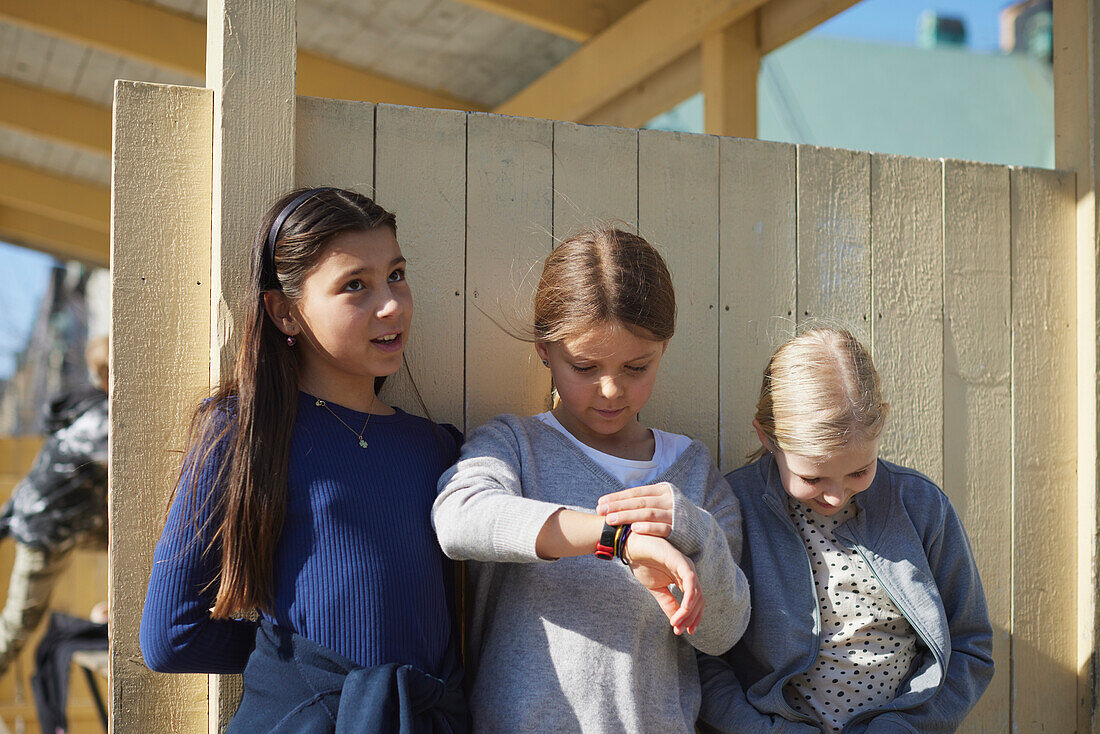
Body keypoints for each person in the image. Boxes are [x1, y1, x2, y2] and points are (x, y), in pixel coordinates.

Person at [139, 187, 467, 732]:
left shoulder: (438, 448)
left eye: (397, 274)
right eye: (354, 285)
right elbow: (172, 637)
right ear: (286, 312)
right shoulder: (242, 431)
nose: (391, 304)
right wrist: (317, 671)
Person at [432, 227, 750, 733]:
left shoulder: (692, 474)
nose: (610, 389)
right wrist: (618, 541)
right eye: (583, 366)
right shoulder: (513, 446)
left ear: (664, 347)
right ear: (544, 351)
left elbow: (723, 634)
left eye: (636, 366)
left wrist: (692, 530)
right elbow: (459, 520)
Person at [698, 326, 994, 733]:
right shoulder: (734, 508)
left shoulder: (921, 507)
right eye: (813, 478)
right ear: (767, 438)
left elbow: (970, 645)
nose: (835, 497)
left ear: (881, 425)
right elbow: (705, 656)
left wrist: (906, 727)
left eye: (858, 471)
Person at [0, 335, 110, 676]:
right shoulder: (99, 420)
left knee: (134, 539)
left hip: (69, 520)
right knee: (18, 624)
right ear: (108, 374)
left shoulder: (85, 404)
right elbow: (140, 457)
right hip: (45, 531)